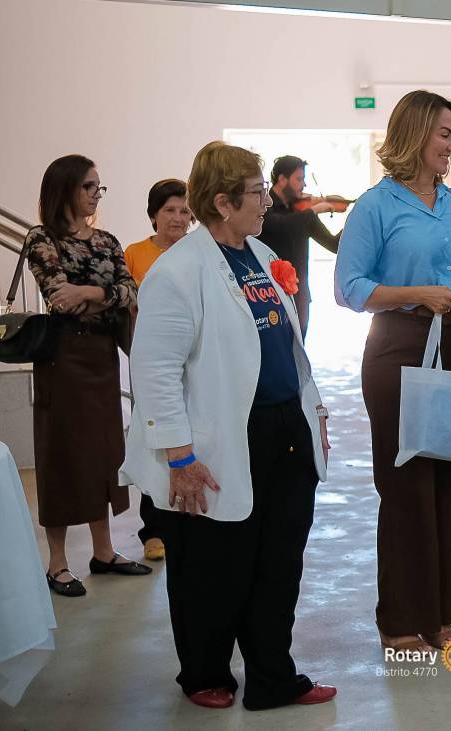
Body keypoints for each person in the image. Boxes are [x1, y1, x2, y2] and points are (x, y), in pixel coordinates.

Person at [119, 141, 336, 711]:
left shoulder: (259, 254)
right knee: (213, 566)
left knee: (279, 562)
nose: (266, 201)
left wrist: (312, 415)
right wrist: (180, 455)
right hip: (218, 437)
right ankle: (205, 672)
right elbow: (155, 370)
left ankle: (272, 676)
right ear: (222, 202)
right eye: (257, 192)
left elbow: (287, 346)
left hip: (283, 428)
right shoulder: (178, 270)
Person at [335, 90, 451, 653]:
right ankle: (401, 620)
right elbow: (349, 287)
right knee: (406, 488)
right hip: (398, 349)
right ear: (415, 133)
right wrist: (419, 294)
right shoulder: (374, 206)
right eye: (444, 134)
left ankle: (442, 614)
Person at [26, 154, 149, 598]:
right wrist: (104, 295)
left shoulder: (107, 240)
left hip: (101, 355)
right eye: (89, 186)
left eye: (99, 187)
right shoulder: (42, 238)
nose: (97, 194)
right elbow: (59, 297)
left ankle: (104, 551)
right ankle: (57, 563)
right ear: (65, 188)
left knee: (103, 452)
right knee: (60, 454)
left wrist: (88, 292)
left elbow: (130, 290)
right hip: (62, 358)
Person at [123, 178, 194, 561]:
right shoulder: (135, 254)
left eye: (184, 211)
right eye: (169, 210)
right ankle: (152, 529)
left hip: (194, 365)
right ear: (154, 215)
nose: (178, 218)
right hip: (152, 365)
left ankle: (189, 515)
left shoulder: (200, 253)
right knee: (156, 439)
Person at [258, 155, 341, 339]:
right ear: (282, 179)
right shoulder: (265, 206)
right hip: (268, 293)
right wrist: (313, 210)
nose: (303, 185)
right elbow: (277, 224)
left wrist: (354, 221)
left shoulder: (302, 212)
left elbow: (333, 244)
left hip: (299, 292)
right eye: (298, 179)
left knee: (299, 345)